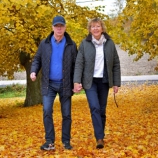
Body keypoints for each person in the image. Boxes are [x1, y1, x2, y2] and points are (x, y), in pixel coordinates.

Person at [30, 15, 77, 150]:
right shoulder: (45, 43)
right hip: (48, 84)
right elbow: (37, 59)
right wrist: (34, 71)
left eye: (61, 26)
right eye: (56, 26)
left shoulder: (71, 44)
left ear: (65, 27)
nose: (59, 28)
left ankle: (66, 141)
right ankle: (49, 141)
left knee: (67, 114)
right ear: (53, 28)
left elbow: (76, 64)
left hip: (65, 84)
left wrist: (76, 82)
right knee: (46, 110)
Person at [73, 18, 121, 149]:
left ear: (102, 28)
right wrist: (76, 81)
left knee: (102, 110)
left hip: (104, 81)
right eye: (92, 26)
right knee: (94, 107)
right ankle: (99, 138)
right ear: (89, 29)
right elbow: (79, 63)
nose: (95, 28)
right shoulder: (84, 44)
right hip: (90, 82)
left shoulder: (110, 43)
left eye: (98, 26)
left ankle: (100, 135)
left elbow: (116, 63)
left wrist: (116, 83)